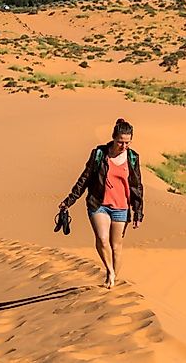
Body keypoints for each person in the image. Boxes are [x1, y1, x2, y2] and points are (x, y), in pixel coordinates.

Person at [58, 119, 144, 288]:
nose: (123, 146)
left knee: (116, 246)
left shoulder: (133, 158)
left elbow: (137, 186)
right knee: (102, 239)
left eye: (127, 142)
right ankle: (110, 270)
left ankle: (112, 281)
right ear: (113, 138)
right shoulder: (99, 154)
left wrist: (138, 211)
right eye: (120, 141)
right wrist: (69, 200)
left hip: (121, 207)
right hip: (99, 204)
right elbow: (85, 178)